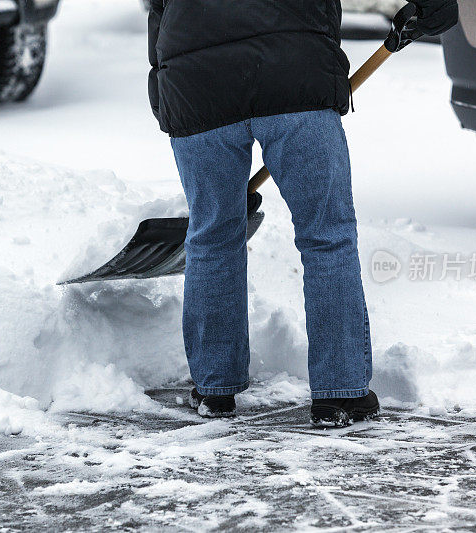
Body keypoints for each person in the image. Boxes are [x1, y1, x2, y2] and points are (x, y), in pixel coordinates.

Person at [147, 0, 457, 425]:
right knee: (326, 236)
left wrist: (166, 92)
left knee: (213, 236)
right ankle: (340, 394)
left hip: (196, 84)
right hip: (295, 72)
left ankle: (214, 390)